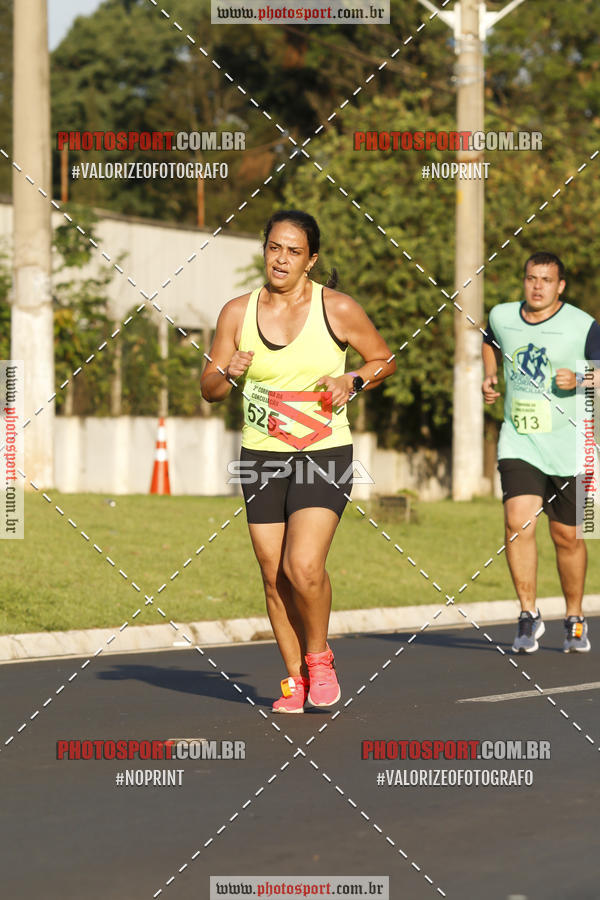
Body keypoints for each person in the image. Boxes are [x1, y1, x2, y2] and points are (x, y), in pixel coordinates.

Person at [201, 210, 396, 711]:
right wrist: (228, 370)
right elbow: (210, 389)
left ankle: (319, 658)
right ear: (264, 251)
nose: (281, 259)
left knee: (303, 566)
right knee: (274, 575)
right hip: (260, 457)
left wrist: (352, 379)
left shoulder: (338, 308)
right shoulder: (236, 313)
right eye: (274, 248)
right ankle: (296, 680)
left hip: (323, 452)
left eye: (293, 251)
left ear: (311, 260)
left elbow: (384, 360)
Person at [482, 251, 600, 654]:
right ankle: (528, 614)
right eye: (532, 278)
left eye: (546, 280)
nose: (537, 286)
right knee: (518, 523)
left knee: (567, 536)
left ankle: (574, 617)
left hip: (571, 447)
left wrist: (581, 378)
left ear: (560, 286)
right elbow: (490, 340)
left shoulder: (583, 325)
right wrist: (490, 374)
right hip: (520, 440)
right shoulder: (502, 315)